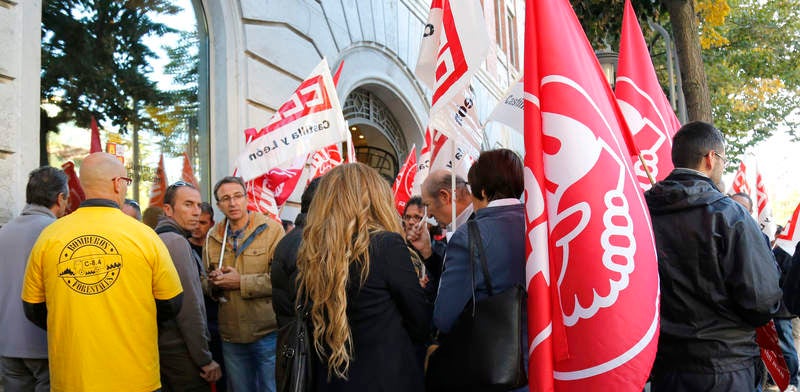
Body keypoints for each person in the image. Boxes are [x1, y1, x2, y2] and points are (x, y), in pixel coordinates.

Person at [21, 152, 184, 392]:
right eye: (127, 183)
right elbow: (171, 303)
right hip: (135, 377)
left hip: (72, 378)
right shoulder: (144, 236)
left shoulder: (49, 236)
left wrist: (74, 319)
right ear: (118, 184)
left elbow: (34, 308)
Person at [644, 122, 782, 391]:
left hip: (666, 366)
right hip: (724, 367)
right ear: (710, 158)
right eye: (723, 159)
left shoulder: (642, 210)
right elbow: (761, 300)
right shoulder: (729, 216)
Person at [296, 163, 431, 391]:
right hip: (385, 379)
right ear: (375, 199)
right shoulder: (385, 244)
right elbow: (421, 322)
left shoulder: (314, 251)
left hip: (332, 380)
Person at [432, 149, 527, 390]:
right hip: (546, 368)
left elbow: (444, 317)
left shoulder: (470, 235)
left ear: (483, 191)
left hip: (496, 369)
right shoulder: (542, 225)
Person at [203, 176, 284, 392]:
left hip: (266, 332)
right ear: (218, 205)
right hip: (231, 335)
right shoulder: (212, 236)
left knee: (270, 388)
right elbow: (204, 281)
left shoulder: (272, 230)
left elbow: (282, 281)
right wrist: (214, 283)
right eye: (226, 198)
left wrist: (240, 282)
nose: (233, 203)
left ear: (247, 198)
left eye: (238, 196)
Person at [0, 166, 69, 391]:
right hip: (44, 345)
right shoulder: (57, 234)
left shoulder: (4, 231)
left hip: (7, 344)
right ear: (60, 198)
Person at [155, 181, 221, 391]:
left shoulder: (159, 238)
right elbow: (188, 308)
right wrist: (204, 358)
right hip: (181, 351)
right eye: (188, 204)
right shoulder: (175, 242)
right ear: (168, 209)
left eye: (198, 205)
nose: (196, 212)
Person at [272, 177, 321, 328]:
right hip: (307, 343)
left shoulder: (292, 239)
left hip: (295, 338)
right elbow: (313, 309)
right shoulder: (311, 244)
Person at [421, 169, 473, 237]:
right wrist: (426, 248)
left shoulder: (480, 229)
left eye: (427, 205)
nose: (428, 215)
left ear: (444, 196)